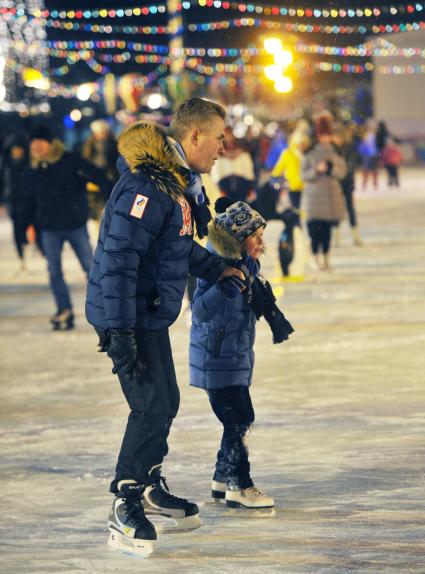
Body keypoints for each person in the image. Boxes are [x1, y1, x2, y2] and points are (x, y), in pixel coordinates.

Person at [85, 98, 247, 557]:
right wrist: (118, 332)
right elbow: (119, 262)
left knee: (166, 401)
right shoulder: (147, 186)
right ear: (194, 136)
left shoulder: (176, 185)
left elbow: (174, 249)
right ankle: (125, 497)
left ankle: (151, 485)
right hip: (127, 316)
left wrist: (218, 268)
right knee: (152, 406)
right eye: (218, 138)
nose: (222, 147)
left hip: (145, 314)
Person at [189, 199, 294, 510]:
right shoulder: (219, 267)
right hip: (217, 359)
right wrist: (226, 287)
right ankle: (240, 484)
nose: (261, 242)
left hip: (232, 357)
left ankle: (223, 476)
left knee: (235, 420)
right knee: (240, 419)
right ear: (237, 238)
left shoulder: (247, 267)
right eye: (255, 236)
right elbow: (199, 310)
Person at [22, 126, 111, 330]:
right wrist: (23, 227)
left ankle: (106, 307)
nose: (35, 147)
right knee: (54, 272)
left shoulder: (70, 161)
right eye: (33, 144)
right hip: (49, 228)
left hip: (74, 224)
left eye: (39, 142)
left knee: (91, 268)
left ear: (50, 143)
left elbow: (98, 176)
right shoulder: (33, 170)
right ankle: (64, 310)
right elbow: (27, 201)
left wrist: (113, 194)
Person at [301, 115, 347, 271]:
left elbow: (342, 172)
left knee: (327, 232)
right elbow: (304, 175)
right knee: (314, 231)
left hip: (331, 198)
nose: (326, 138)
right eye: (323, 135)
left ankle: (326, 258)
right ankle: (315, 257)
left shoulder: (336, 151)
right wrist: (316, 170)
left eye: (328, 135)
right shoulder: (310, 153)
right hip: (314, 199)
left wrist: (331, 169)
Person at [0, 134, 32, 269]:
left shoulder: (29, 163)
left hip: (27, 198)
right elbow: (1, 182)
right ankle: (20, 252)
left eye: (19, 150)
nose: (17, 152)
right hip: (11, 199)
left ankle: (24, 240)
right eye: (15, 150)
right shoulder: (5, 164)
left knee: (25, 222)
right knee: (16, 225)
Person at [82, 119, 119, 223]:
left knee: (109, 207)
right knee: (95, 212)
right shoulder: (89, 146)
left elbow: (116, 162)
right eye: (99, 132)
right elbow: (86, 162)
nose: (102, 135)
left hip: (111, 180)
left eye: (104, 132)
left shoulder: (114, 145)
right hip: (94, 181)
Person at [332, 123, 363, 246]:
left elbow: (353, 164)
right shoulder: (331, 148)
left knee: (350, 208)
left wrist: (342, 173)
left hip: (347, 182)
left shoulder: (349, 147)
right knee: (335, 210)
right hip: (335, 184)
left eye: (337, 136)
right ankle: (336, 237)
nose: (335, 138)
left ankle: (355, 235)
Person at [211, 127, 256, 203]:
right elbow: (216, 174)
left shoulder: (243, 153)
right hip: (225, 188)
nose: (228, 138)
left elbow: (249, 172)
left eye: (230, 134)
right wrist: (219, 189)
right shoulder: (218, 155)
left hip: (242, 187)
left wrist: (250, 188)